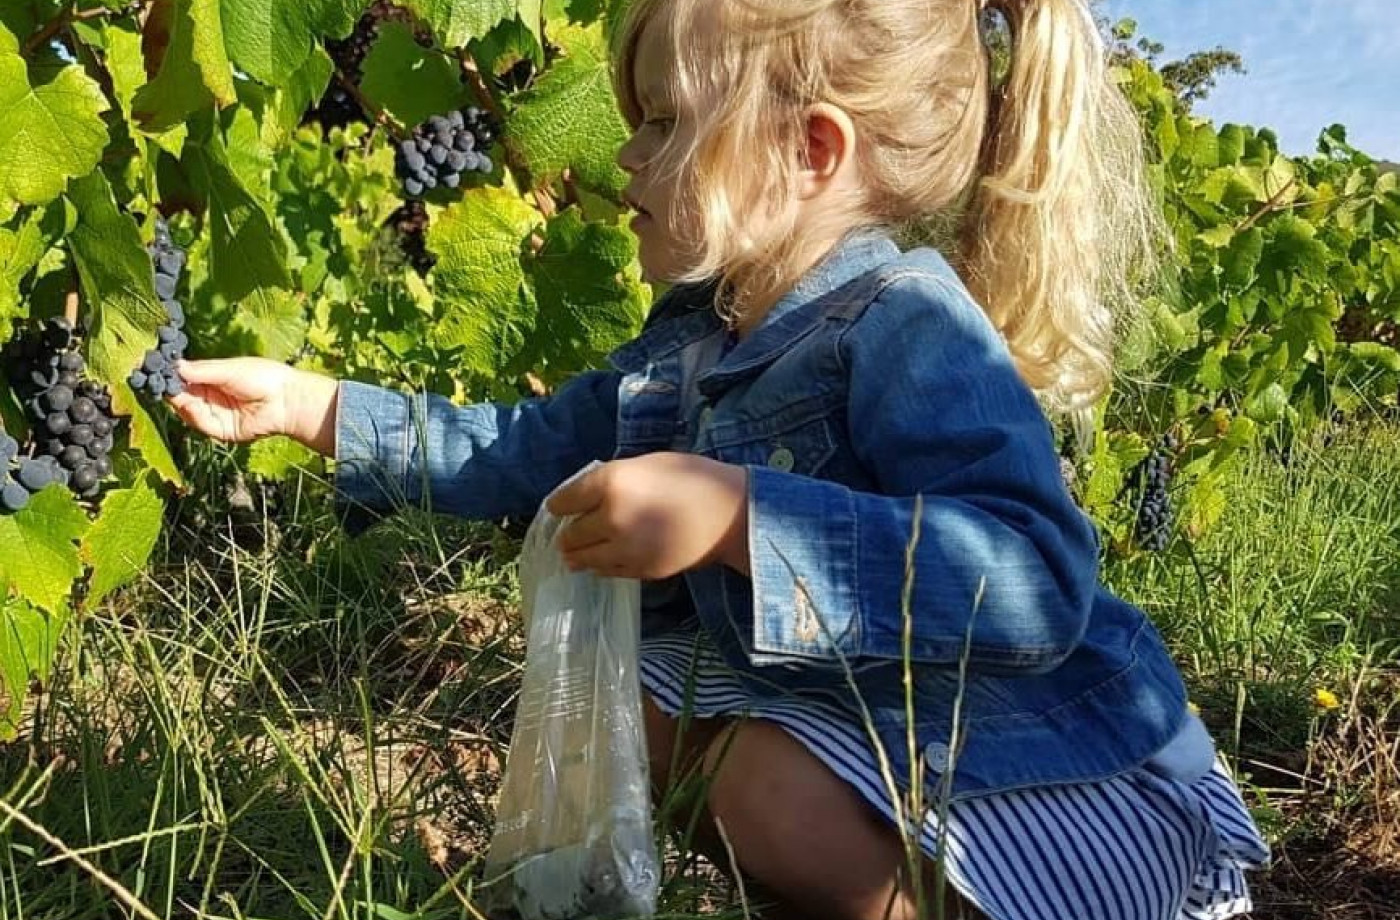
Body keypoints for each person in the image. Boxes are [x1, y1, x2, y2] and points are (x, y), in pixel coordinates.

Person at [169, 0, 1270, 917]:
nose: (624, 154)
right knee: (630, 700)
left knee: (762, 783)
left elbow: (1032, 576)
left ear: (809, 149)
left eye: (659, 122)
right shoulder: (694, 339)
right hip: (881, 736)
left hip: (1049, 773)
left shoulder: (904, 324)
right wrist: (317, 409)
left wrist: (742, 513)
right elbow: (525, 448)